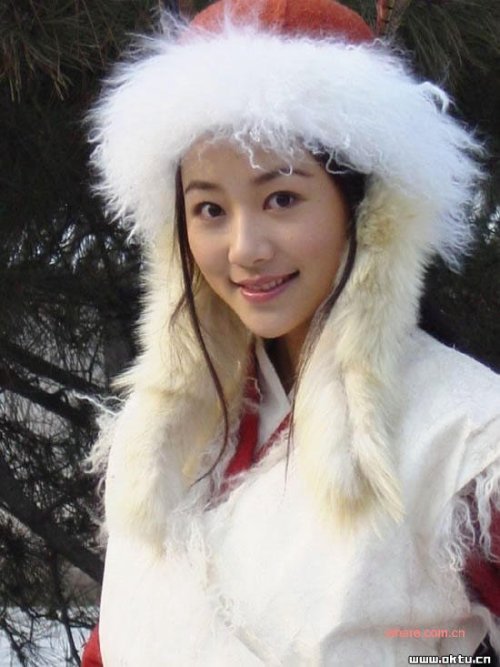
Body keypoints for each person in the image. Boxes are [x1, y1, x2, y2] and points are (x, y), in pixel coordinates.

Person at [82, 0, 500, 664]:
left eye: (281, 199)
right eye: (209, 208)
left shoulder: (467, 441)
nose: (244, 248)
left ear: (366, 209)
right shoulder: (155, 443)